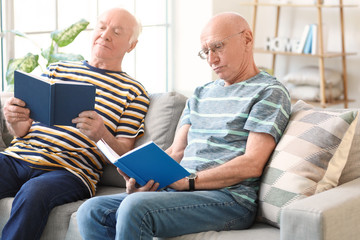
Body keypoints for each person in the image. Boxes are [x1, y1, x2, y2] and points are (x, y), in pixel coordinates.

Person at [77, 12, 291, 239]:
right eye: (206, 52)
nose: (212, 59)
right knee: (92, 211)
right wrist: (143, 179)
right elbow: (177, 151)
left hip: (229, 198)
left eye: (218, 47)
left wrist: (188, 182)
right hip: (183, 191)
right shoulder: (201, 94)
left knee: (135, 208)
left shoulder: (268, 92)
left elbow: (252, 164)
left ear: (247, 39)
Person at [0, 8, 149, 240]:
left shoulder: (134, 92)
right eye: (101, 27)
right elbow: (21, 131)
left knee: (34, 192)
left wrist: (101, 134)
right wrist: (13, 119)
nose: (105, 35)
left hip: (70, 171)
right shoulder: (56, 69)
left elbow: (124, 155)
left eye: (117, 32)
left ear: (131, 45)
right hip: (18, 157)